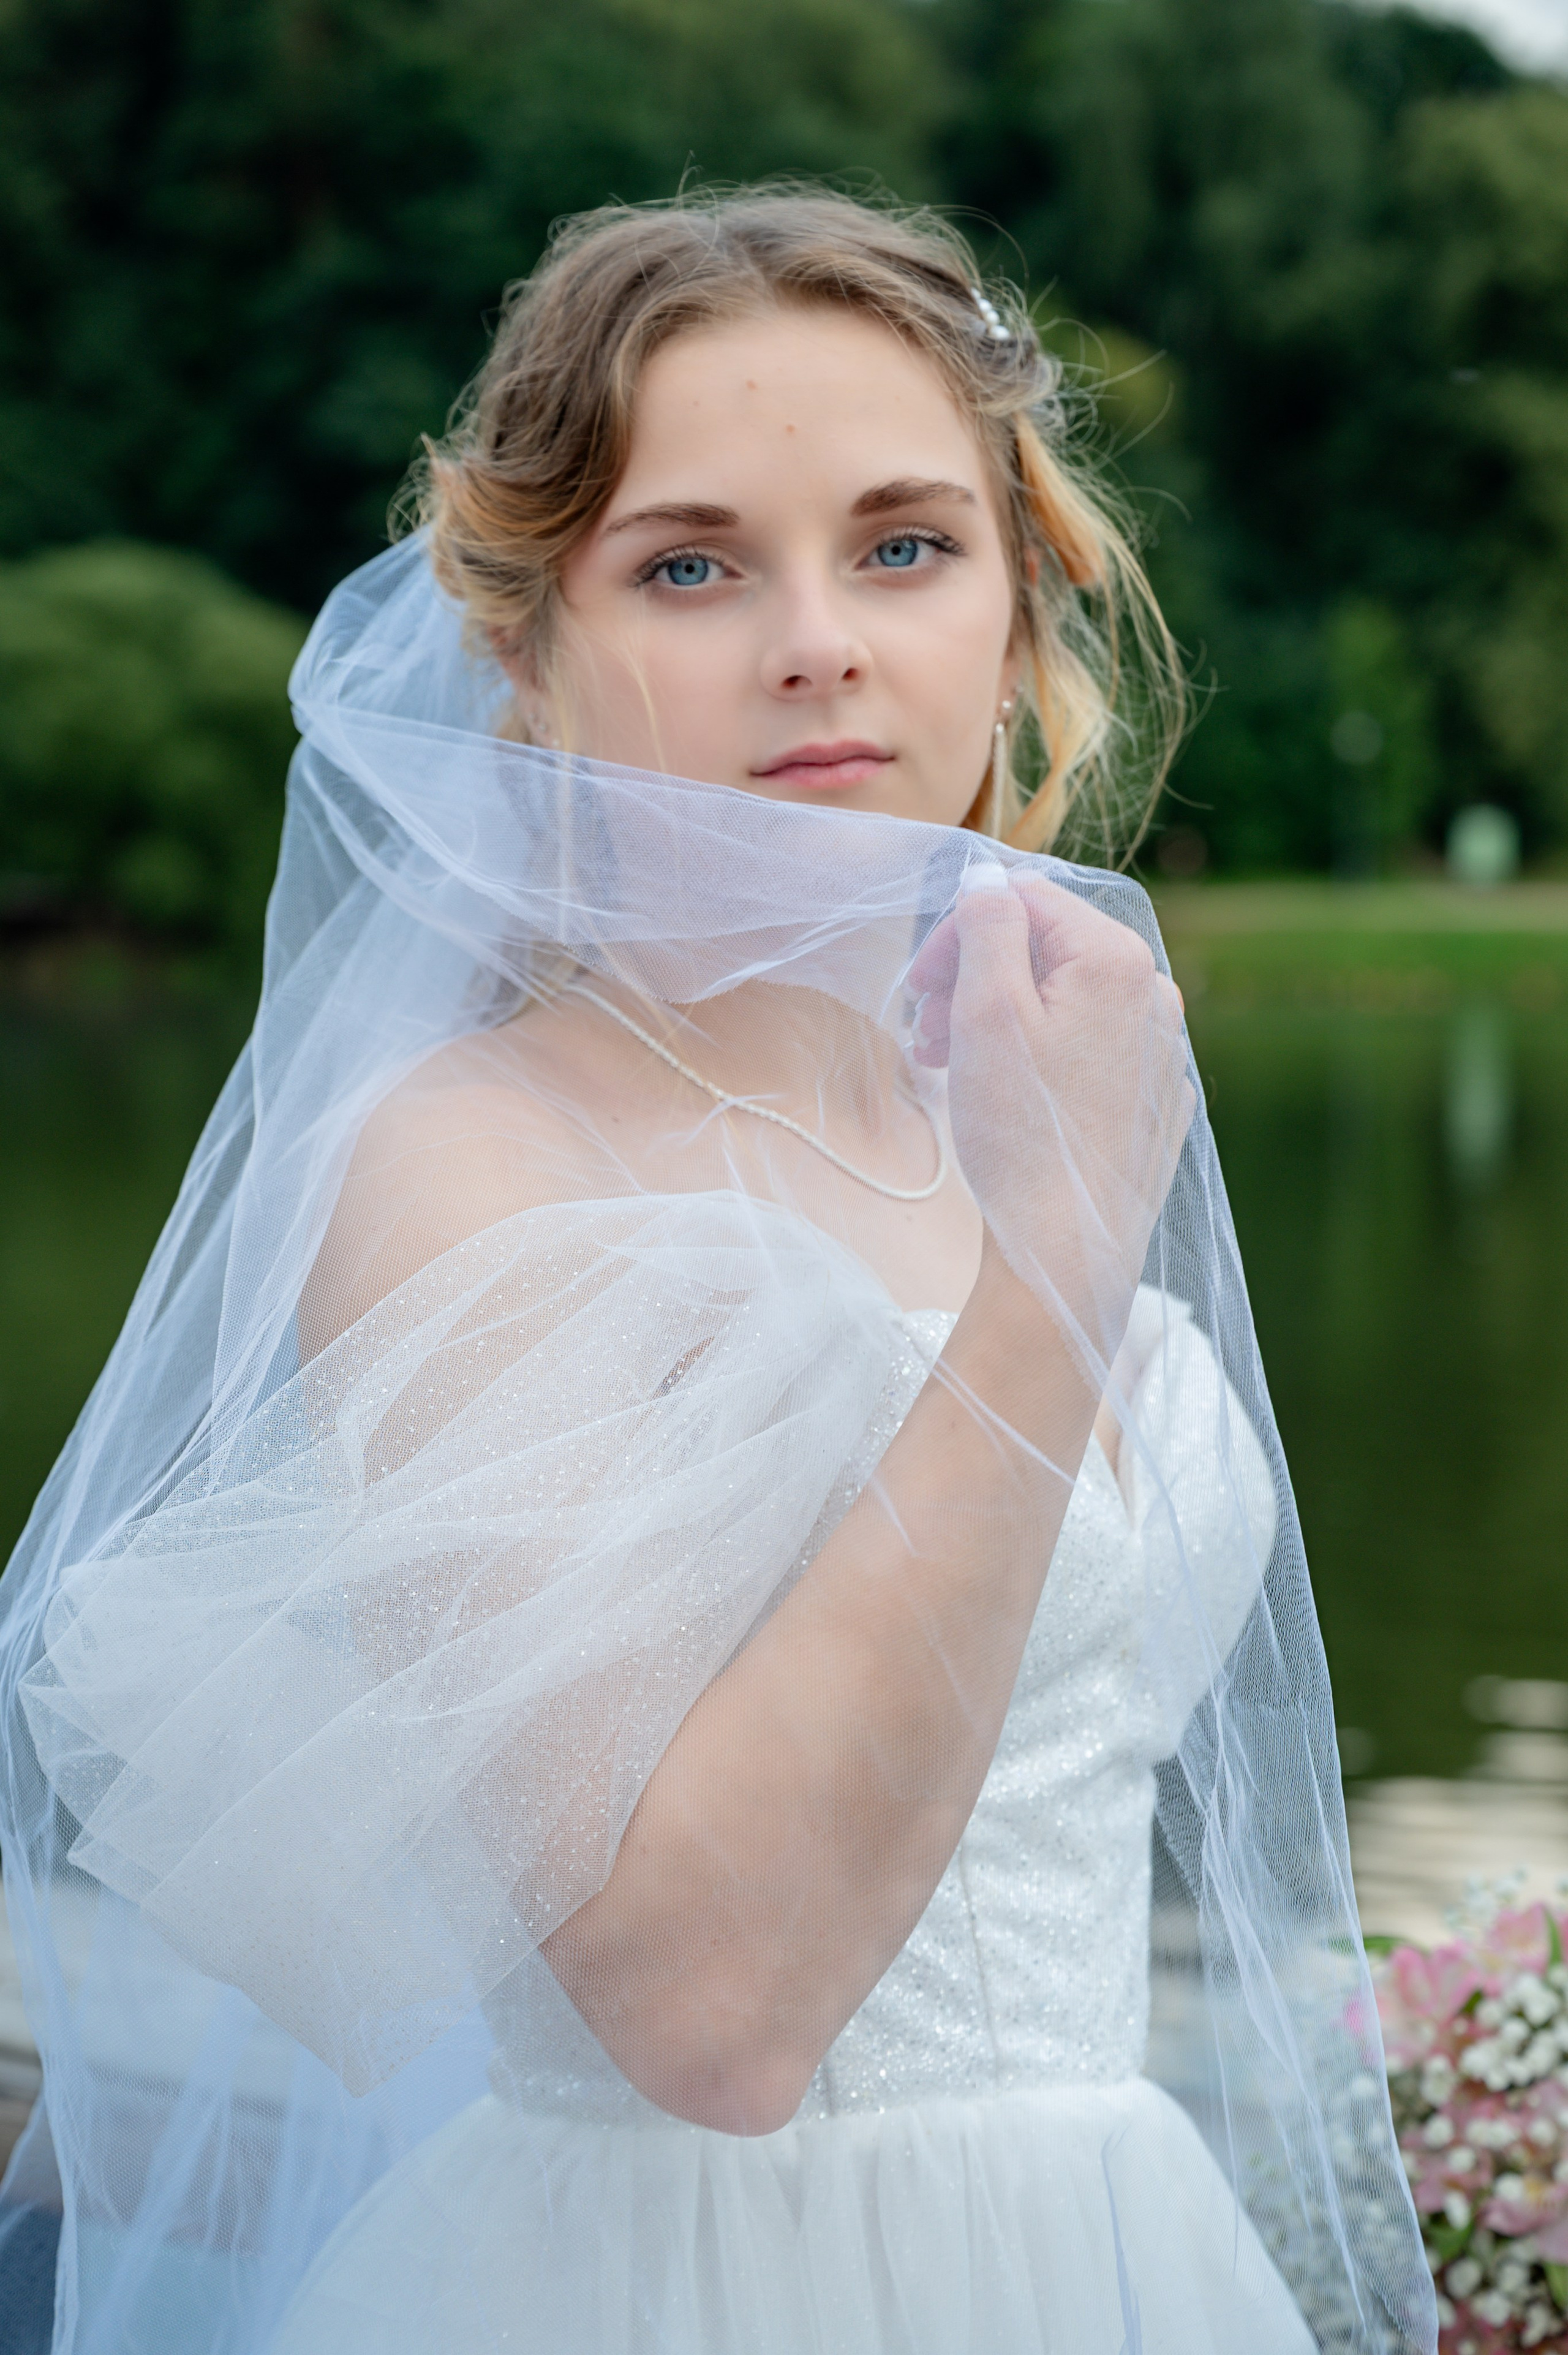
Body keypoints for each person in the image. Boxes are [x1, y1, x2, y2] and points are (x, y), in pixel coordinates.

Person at [0, 190, 1434, 2354]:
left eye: (903, 543)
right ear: (530, 650)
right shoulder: (475, 1157)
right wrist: (1050, 1270)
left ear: (1022, 602)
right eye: (689, 564)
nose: (818, 640)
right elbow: (711, 2006)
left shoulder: (1039, 1077)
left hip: (1113, 2265)